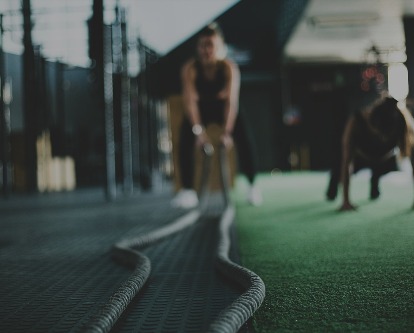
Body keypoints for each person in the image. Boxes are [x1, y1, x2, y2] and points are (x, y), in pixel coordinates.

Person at [171, 23, 262, 208]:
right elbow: (190, 103)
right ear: (198, 48)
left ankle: (252, 186)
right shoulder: (190, 69)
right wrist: (199, 133)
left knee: (244, 137)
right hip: (201, 110)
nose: (206, 50)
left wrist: (227, 133)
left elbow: (231, 103)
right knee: (185, 136)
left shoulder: (229, 68)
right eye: (202, 46)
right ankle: (188, 191)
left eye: (210, 45)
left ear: (220, 47)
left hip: (223, 110)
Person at [338, 96, 414, 211]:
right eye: (379, 134)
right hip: (362, 157)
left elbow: (411, 158)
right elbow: (347, 160)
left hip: (385, 159)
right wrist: (346, 201)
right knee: (338, 166)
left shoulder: (401, 122)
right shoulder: (356, 121)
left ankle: (375, 179)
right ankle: (333, 186)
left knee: (384, 166)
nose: (382, 139)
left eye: (386, 136)